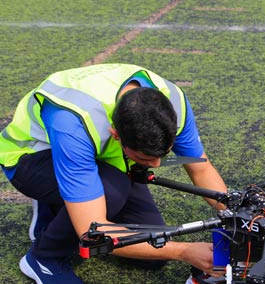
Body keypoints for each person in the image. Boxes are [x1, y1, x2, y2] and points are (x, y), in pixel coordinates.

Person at [0, 63, 228, 283]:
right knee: (112, 193)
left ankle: (62, 205)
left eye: (164, 154)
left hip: (102, 160)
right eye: (146, 158)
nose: (157, 165)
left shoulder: (173, 102)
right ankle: (44, 257)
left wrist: (232, 212)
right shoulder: (72, 124)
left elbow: (201, 168)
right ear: (116, 134)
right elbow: (92, 230)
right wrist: (184, 251)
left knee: (155, 251)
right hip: (31, 158)